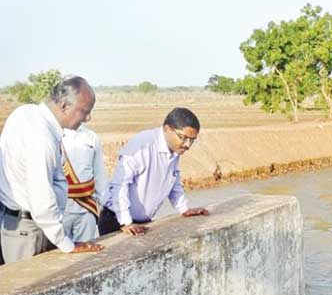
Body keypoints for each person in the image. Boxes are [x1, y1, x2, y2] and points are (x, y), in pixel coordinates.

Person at [0, 76, 103, 265]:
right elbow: (42, 201)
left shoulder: (25, 113)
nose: (88, 118)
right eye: (84, 111)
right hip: (32, 230)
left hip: (22, 224)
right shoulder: (42, 139)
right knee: (30, 288)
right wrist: (66, 244)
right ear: (64, 105)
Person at [99, 107, 208, 236]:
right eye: (183, 138)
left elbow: (173, 180)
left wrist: (184, 209)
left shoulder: (174, 150)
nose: (188, 145)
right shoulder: (143, 145)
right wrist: (126, 222)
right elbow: (120, 184)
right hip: (117, 220)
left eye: (192, 140)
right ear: (167, 129)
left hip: (142, 223)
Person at [61, 123, 107, 242]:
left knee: (87, 254)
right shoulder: (54, 134)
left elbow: (99, 175)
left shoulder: (90, 136)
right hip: (61, 210)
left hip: (86, 208)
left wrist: (106, 207)